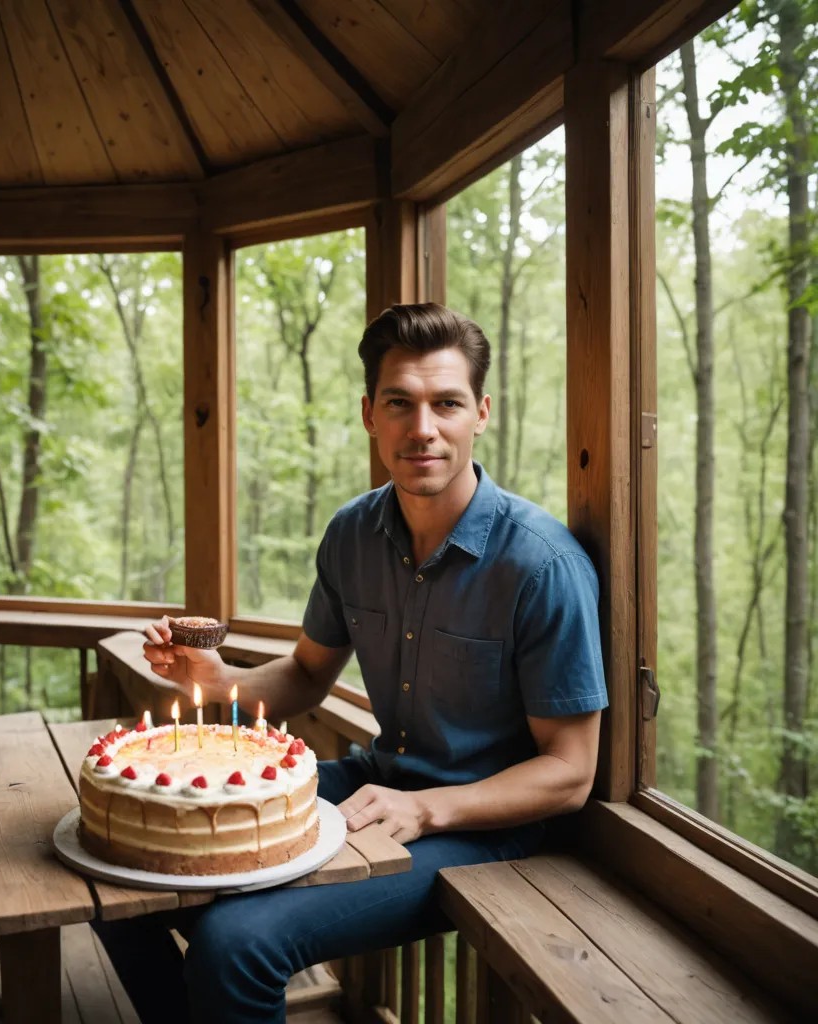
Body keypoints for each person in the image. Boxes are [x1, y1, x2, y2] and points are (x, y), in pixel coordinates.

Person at [94, 302, 608, 1023]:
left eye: (446, 403)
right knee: (124, 877)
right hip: (377, 782)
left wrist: (426, 808)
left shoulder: (541, 565)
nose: (422, 428)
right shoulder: (351, 533)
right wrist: (217, 683)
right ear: (371, 414)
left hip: (486, 828)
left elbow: (570, 772)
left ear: (481, 413)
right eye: (400, 403)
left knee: (234, 944)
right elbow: (306, 675)